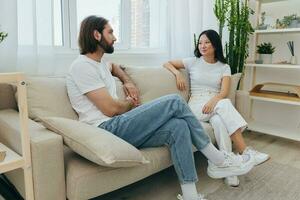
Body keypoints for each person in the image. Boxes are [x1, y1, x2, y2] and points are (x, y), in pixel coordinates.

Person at [66, 16, 254, 200]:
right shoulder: (82, 66)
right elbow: (110, 109)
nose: (115, 37)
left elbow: (113, 66)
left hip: (121, 127)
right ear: (96, 35)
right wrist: (130, 103)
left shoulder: (98, 65)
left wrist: (128, 82)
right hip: (106, 129)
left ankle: (190, 195)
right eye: (110, 32)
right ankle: (218, 160)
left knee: (178, 127)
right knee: (174, 101)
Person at [163, 29, 270, 187]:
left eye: (207, 42)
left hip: (215, 103)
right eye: (200, 43)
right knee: (224, 105)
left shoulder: (224, 67)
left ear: (215, 45)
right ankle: (245, 151)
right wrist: (178, 74)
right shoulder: (192, 61)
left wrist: (214, 101)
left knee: (220, 121)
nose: (203, 46)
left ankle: (229, 168)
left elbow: (224, 92)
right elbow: (167, 63)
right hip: (197, 105)